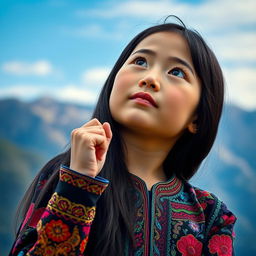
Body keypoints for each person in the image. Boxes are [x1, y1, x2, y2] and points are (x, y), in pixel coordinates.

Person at [10, 17, 236, 256]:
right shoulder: (65, 176)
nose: (150, 78)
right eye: (140, 61)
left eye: (176, 71)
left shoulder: (211, 215)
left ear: (197, 118)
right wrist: (78, 187)